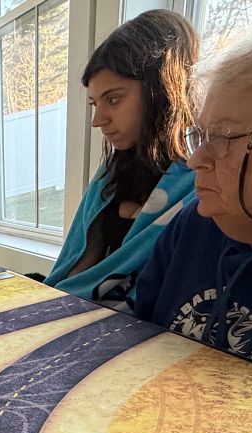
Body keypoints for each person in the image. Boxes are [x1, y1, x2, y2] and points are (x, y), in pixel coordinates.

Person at [135, 7, 252, 383]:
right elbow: (136, 337)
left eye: (226, 138)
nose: (196, 159)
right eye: (201, 135)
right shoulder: (194, 224)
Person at [44, 11, 198, 310]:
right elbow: (80, 265)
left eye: (113, 99)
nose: (98, 120)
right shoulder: (112, 171)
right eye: (94, 103)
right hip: (82, 316)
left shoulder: (200, 181)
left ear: (161, 92)